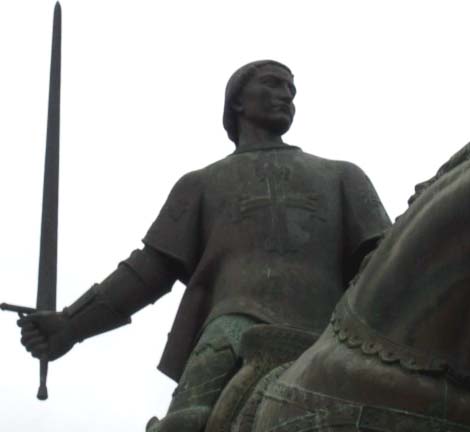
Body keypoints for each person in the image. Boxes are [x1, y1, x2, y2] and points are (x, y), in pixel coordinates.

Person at [19, 60, 391, 432]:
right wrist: (70, 324)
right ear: (237, 102)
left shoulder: (344, 176)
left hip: (334, 334)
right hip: (234, 328)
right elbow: (148, 270)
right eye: (273, 84)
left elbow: (387, 258)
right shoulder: (200, 185)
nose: (286, 96)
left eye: (291, 90)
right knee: (183, 422)